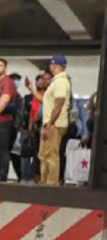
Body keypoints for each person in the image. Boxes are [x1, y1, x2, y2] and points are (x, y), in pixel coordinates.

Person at [39, 54, 70, 185]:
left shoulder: (61, 82)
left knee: (51, 155)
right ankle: (45, 181)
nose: (50, 67)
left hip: (54, 124)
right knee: (44, 154)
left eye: (52, 65)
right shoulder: (56, 82)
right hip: (51, 123)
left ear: (56, 66)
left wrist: (49, 124)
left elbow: (59, 104)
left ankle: (51, 183)